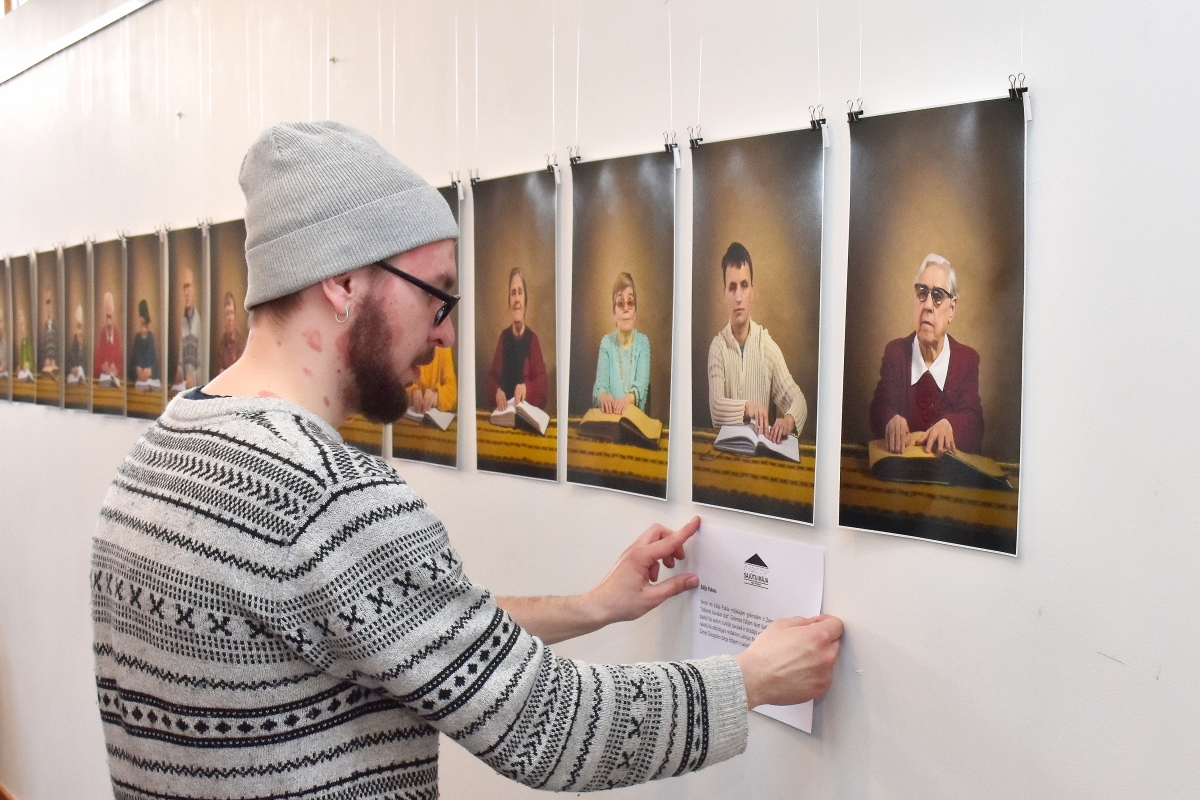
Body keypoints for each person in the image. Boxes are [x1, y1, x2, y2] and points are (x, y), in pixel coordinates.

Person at [91, 121, 843, 800]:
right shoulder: (330, 499)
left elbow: (397, 630)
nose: (446, 333)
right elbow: (552, 726)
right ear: (343, 282)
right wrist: (752, 678)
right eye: (437, 296)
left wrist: (593, 606)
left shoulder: (157, 457)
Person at [869, 253, 984, 455]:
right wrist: (890, 419)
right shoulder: (896, 353)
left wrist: (951, 424)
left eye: (938, 296)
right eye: (922, 293)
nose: (928, 306)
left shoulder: (967, 360)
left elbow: (975, 424)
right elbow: (879, 407)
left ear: (952, 309)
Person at [707, 242, 807, 445]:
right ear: (724, 293)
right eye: (732, 287)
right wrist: (748, 408)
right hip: (726, 456)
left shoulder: (767, 348)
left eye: (744, 285)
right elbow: (716, 410)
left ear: (752, 290)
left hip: (759, 454)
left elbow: (799, 401)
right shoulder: (717, 347)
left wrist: (789, 419)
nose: (738, 297)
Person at [485, 267, 548, 411]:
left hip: (525, 414)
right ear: (509, 303)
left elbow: (543, 385)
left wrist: (527, 389)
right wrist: (496, 392)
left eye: (520, 292)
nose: (517, 299)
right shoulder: (504, 338)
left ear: (525, 302)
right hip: (505, 413)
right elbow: (491, 379)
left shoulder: (532, 340)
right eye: (513, 293)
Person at [592, 271, 650, 414]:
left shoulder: (643, 343)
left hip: (634, 421)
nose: (625, 309)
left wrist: (626, 401)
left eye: (630, 303)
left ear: (635, 313)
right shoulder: (606, 343)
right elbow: (600, 385)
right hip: (610, 419)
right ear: (614, 314)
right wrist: (604, 397)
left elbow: (641, 387)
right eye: (620, 303)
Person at [406, 345, 457, 414]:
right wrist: (411, 393)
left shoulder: (444, 348)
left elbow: (452, 392)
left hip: (434, 417)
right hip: (408, 416)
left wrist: (437, 396)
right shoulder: (410, 344)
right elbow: (397, 383)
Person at [173, 266, 201, 389]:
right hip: (184, 388)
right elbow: (181, 361)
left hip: (198, 389)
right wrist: (179, 371)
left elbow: (204, 364)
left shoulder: (201, 323)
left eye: (188, 286)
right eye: (184, 287)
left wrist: (194, 377)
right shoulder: (183, 322)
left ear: (194, 288)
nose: (186, 292)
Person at [129, 298, 160, 386]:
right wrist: (137, 370)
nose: (143, 329)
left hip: (149, 380)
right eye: (141, 326)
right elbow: (131, 366)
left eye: (145, 326)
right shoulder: (137, 339)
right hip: (139, 381)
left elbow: (155, 365)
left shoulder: (151, 338)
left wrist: (150, 371)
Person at [94, 291, 123, 383]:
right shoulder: (102, 334)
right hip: (104, 380)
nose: (108, 310)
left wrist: (116, 370)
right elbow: (96, 366)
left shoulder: (117, 335)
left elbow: (121, 366)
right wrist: (103, 367)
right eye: (107, 316)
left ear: (114, 314)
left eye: (110, 309)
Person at [214, 290, 244, 374]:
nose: (230, 318)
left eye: (232, 313)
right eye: (227, 313)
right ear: (224, 317)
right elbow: (218, 372)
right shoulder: (221, 345)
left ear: (235, 315)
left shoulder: (241, 342)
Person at [39, 288, 58, 375]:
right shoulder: (45, 325)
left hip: (56, 367)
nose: (48, 306)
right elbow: (43, 349)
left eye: (49, 302)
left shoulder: (58, 324)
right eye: (47, 303)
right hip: (47, 368)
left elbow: (61, 348)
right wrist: (45, 360)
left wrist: (55, 361)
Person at [66, 304, 86, 383]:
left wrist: (80, 369)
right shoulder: (72, 346)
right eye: (78, 328)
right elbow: (67, 364)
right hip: (73, 378)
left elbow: (88, 366)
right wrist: (72, 369)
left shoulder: (86, 347)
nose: (79, 331)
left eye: (80, 327)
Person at [16, 307, 33, 381]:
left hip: (30, 374)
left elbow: (32, 363)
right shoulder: (20, 339)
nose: (19, 320)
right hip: (22, 374)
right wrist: (19, 367)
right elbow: (21, 362)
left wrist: (28, 365)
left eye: (21, 316)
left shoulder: (29, 339)